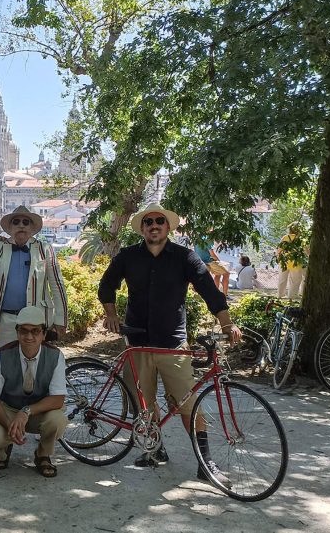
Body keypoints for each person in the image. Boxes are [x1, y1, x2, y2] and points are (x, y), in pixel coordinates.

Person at [97, 202, 241, 485]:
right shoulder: (128, 256)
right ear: (142, 228)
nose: (153, 225)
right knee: (143, 402)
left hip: (172, 342)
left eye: (159, 221)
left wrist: (227, 323)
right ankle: (155, 448)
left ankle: (206, 462)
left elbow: (209, 291)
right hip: (137, 341)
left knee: (188, 403)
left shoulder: (184, 257)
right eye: (148, 221)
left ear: (167, 227)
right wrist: (110, 314)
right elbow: (107, 285)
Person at [0, 306, 68, 478]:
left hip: (38, 412)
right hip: (9, 410)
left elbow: (58, 399)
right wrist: (9, 425)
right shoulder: (2, 356)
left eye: (35, 331)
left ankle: (42, 455)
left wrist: (26, 411)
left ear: (43, 334)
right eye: (24, 331)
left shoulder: (56, 356)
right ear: (17, 332)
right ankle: (3, 450)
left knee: (58, 420)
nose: (29, 337)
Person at [0, 205, 68, 345]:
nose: (21, 225)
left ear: (32, 228)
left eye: (26, 222)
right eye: (16, 222)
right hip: (7, 319)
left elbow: (57, 285)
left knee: (35, 364)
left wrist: (60, 320)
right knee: (8, 361)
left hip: (37, 318)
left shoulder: (45, 249)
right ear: (10, 227)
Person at [276, 222, 307, 300]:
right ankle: (292, 296)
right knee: (294, 281)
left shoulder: (285, 237)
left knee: (282, 279)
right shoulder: (301, 239)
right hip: (296, 263)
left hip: (284, 262)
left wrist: (279, 259)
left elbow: (279, 250)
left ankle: (280, 295)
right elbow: (306, 251)